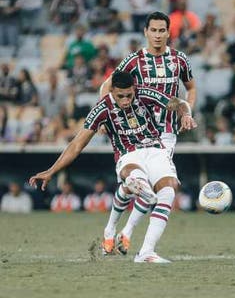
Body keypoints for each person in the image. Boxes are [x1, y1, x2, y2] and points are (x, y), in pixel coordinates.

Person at [29, 71, 197, 263]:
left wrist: (185, 114)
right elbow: (76, 144)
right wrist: (52, 170)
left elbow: (178, 103)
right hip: (128, 154)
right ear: (112, 91)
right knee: (135, 176)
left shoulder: (145, 93)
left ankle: (146, 252)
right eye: (120, 96)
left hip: (155, 149)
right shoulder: (102, 108)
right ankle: (128, 198)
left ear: (134, 89)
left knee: (169, 190)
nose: (125, 100)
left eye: (129, 95)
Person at [99, 12, 197, 249]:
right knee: (140, 183)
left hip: (166, 133)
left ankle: (127, 232)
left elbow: (191, 88)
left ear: (168, 32)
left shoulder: (179, 60)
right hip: (135, 133)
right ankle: (115, 229)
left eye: (162, 30)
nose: (157, 35)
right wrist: (107, 116)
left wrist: (187, 113)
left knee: (156, 187)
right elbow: (107, 86)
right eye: (153, 30)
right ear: (145, 32)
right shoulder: (133, 61)